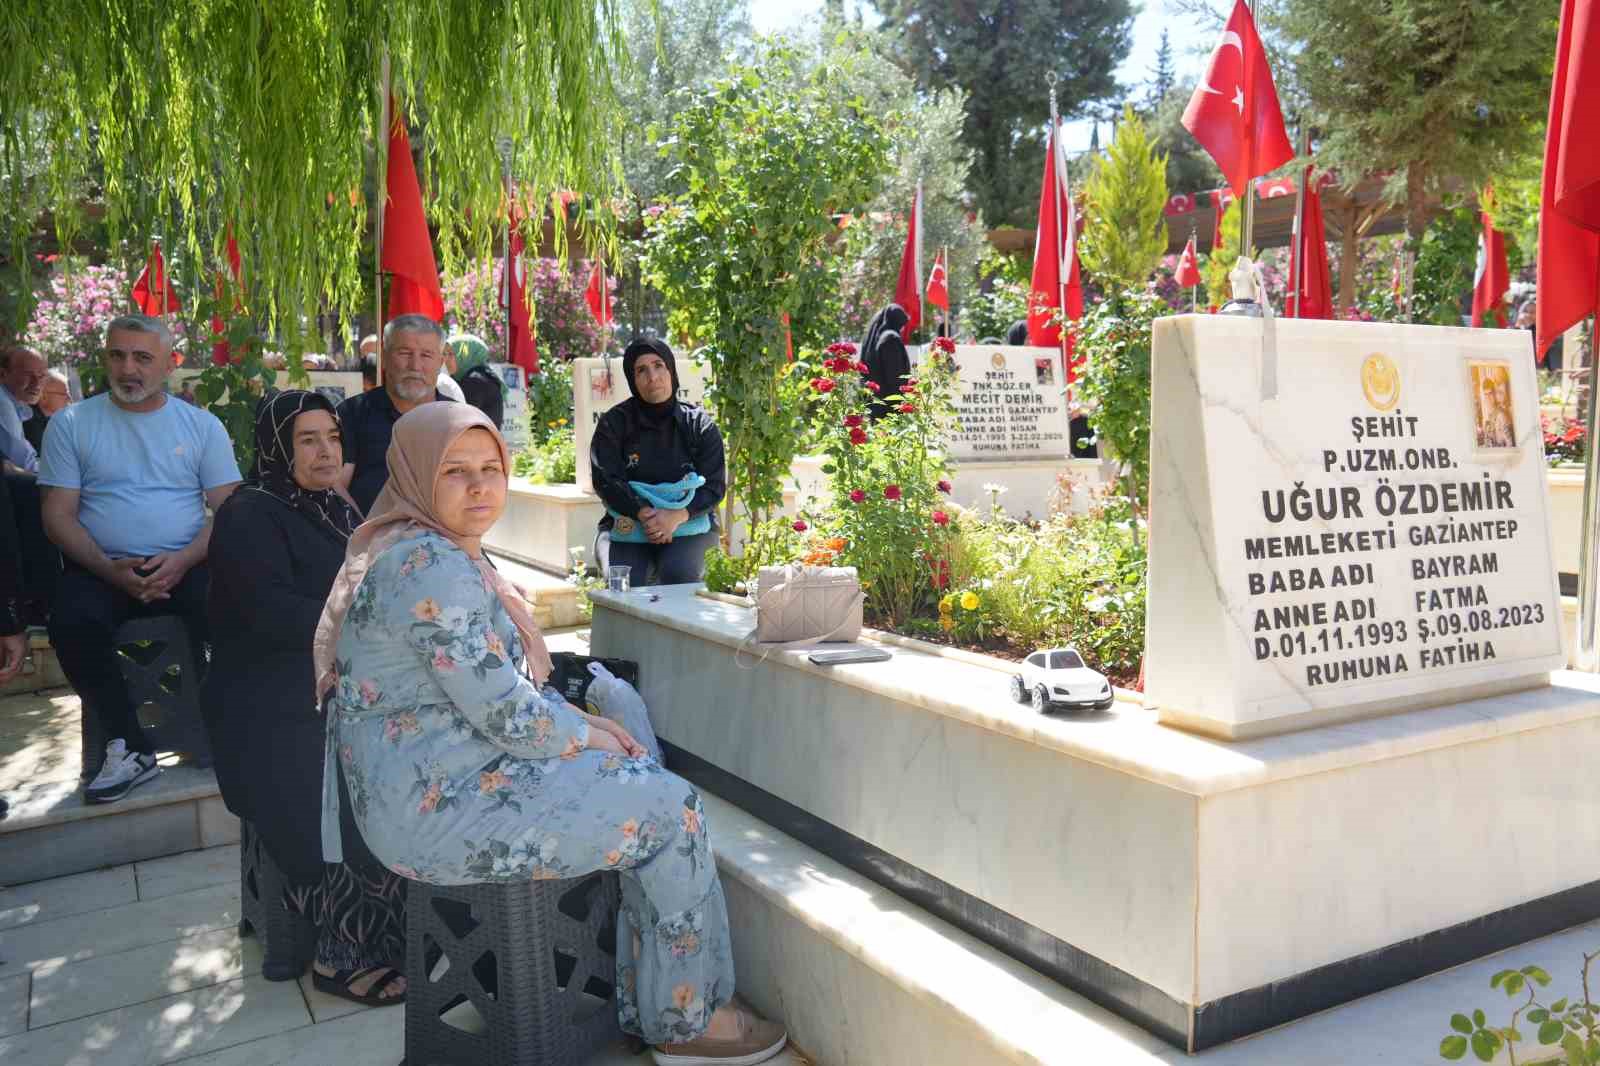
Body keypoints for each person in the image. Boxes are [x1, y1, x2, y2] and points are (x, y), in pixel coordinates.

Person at [314, 403, 787, 1063]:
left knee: (642, 777)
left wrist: (588, 724)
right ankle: (685, 1020)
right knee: (670, 812)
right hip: (443, 808)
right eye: (455, 472)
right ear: (417, 474)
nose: (479, 487)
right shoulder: (429, 567)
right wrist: (591, 739)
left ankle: (662, 995)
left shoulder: (422, 547)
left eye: (490, 468)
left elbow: (494, 692)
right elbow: (512, 717)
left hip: (447, 780)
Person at [203, 391, 406, 1003]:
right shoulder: (249, 514)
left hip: (327, 685)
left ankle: (398, 929)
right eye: (307, 440)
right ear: (276, 447)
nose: (325, 452)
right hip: (267, 704)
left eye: (333, 438)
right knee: (353, 783)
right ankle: (341, 952)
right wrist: (371, 625)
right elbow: (271, 615)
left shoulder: (331, 506)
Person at [39, 314, 242, 803]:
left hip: (186, 564)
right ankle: (129, 748)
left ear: (168, 364)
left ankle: (228, 730)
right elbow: (58, 516)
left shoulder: (200, 426)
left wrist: (183, 559)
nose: (128, 368)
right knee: (71, 620)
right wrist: (109, 569)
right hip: (102, 569)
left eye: (142, 357)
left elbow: (230, 511)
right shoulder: (72, 424)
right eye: (117, 355)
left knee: (236, 608)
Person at [590, 339, 725, 586]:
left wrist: (677, 516)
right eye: (641, 370)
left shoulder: (698, 425)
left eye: (658, 365)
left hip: (689, 523)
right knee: (624, 583)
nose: (653, 377)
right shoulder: (614, 424)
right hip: (627, 523)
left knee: (680, 575)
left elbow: (714, 486)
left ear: (671, 370)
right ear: (632, 379)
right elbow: (605, 479)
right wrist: (643, 511)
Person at [335, 315, 455, 515]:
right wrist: (364, 533)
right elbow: (335, 485)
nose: (415, 366)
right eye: (405, 353)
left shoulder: (457, 421)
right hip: (369, 540)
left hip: (443, 541)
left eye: (426, 355)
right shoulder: (352, 414)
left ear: (440, 362)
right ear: (385, 356)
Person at [859, 304, 911, 420]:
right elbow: (895, 376)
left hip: (875, 405)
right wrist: (902, 405)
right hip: (889, 409)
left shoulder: (875, 338)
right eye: (902, 324)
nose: (902, 329)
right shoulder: (890, 339)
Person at [0, 345, 46, 473]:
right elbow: (26, 464)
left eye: (41, 375)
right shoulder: (3, 404)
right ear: (3, 374)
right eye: (28, 374)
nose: (36, 383)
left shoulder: (14, 403)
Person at [26, 368, 71, 453]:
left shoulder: (53, 419)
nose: (69, 399)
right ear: (43, 397)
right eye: (64, 394)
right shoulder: (29, 421)